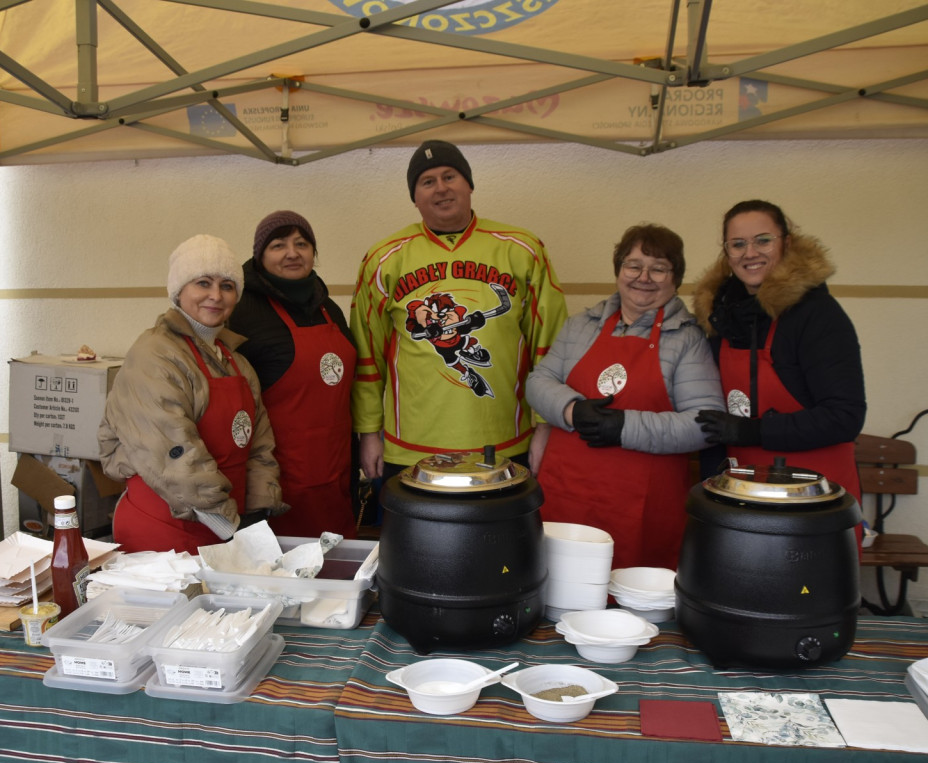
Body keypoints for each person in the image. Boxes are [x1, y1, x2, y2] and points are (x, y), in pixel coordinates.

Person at [350, 140, 567, 484]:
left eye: (450, 176)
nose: (441, 188)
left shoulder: (522, 249)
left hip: (505, 443)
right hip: (409, 448)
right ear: (415, 196)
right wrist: (368, 432)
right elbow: (367, 356)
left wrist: (546, 426)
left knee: (504, 539)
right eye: (427, 181)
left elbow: (551, 349)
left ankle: (470, 358)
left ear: (468, 184)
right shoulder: (384, 258)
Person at [527, 224, 724, 570]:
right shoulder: (581, 325)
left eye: (658, 267)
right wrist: (573, 411)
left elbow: (705, 422)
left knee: (633, 601)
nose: (643, 277)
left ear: (675, 277)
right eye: (633, 265)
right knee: (562, 585)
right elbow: (538, 380)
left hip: (641, 502)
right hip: (567, 492)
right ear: (619, 270)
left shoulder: (687, 338)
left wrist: (623, 426)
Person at [98, 234, 284, 554]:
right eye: (203, 283)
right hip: (165, 532)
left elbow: (260, 447)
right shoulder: (154, 355)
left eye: (227, 286)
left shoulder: (235, 361)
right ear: (178, 291)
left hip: (223, 528)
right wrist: (231, 530)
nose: (215, 295)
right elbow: (174, 454)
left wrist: (256, 515)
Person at [692, 199, 866, 503]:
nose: (750, 253)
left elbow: (844, 416)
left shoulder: (817, 315)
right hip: (742, 493)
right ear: (727, 253)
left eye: (763, 241)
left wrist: (754, 431)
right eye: (737, 244)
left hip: (815, 497)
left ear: (786, 243)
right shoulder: (721, 317)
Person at [226, 211, 358, 538]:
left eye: (302, 243)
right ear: (260, 255)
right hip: (278, 480)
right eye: (278, 245)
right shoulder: (240, 311)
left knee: (339, 569)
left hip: (336, 472)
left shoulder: (328, 306)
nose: (292, 253)